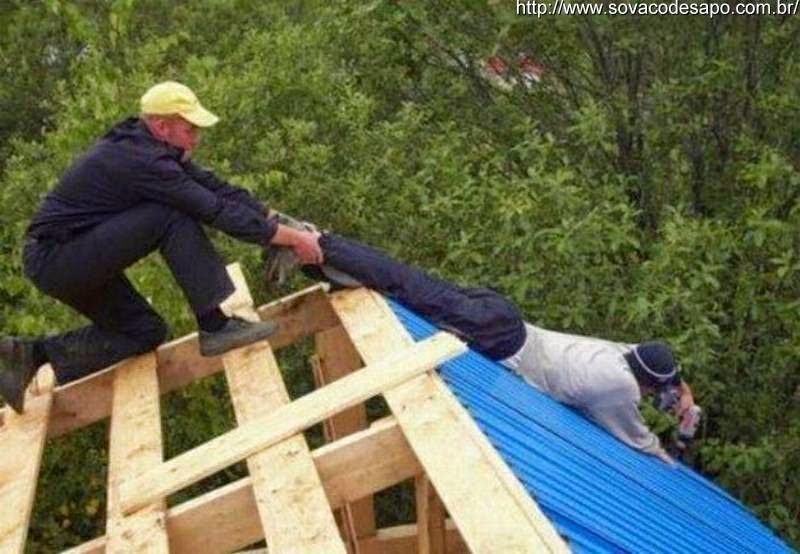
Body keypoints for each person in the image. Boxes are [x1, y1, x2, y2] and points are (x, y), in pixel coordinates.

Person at [0, 81, 323, 414]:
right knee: (171, 214)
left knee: (144, 332)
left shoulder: (152, 146)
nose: (196, 138)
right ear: (162, 125)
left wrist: (274, 218)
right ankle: (215, 326)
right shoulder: (143, 160)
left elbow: (215, 188)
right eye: (189, 129)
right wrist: (288, 238)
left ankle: (31, 354)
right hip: (57, 259)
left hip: (69, 257)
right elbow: (213, 210)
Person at [265, 219, 697, 464]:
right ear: (645, 383)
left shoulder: (622, 355)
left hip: (504, 316)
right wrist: (674, 452)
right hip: (499, 336)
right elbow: (638, 442)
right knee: (400, 283)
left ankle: (316, 253)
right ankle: (314, 242)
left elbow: (659, 368)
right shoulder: (619, 386)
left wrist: (682, 395)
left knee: (405, 284)